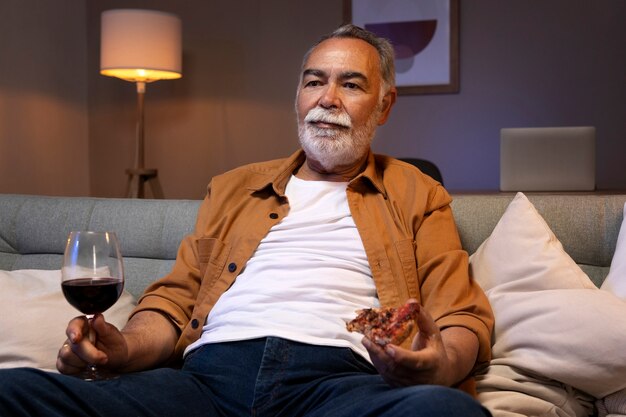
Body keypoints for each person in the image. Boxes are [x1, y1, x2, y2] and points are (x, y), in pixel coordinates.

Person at [0, 24, 493, 417]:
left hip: (339, 385)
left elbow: (459, 316)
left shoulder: (417, 193)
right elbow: (174, 302)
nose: (327, 98)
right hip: (204, 382)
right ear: (298, 95)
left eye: (351, 84)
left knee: (443, 410)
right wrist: (123, 348)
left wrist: (438, 365)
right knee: (14, 389)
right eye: (314, 81)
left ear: (384, 104)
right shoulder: (234, 187)